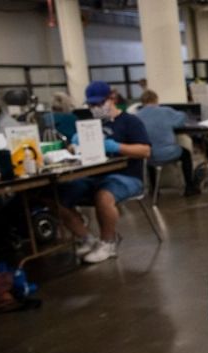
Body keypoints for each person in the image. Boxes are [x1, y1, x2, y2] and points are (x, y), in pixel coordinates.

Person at [59, 81, 151, 264]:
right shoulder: (91, 125)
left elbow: (145, 151)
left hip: (128, 176)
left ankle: (108, 243)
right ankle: (86, 238)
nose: (96, 108)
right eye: (92, 105)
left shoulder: (130, 122)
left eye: (99, 103)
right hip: (93, 176)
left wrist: (116, 146)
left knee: (104, 196)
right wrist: (73, 146)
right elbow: (74, 149)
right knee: (57, 196)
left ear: (112, 98)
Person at [135, 89, 198, 196]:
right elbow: (182, 118)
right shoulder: (165, 111)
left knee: (149, 155)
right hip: (168, 152)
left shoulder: (136, 116)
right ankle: (189, 187)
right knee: (186, 154)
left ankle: (154, 189)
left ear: (142, 102)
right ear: (156, 100)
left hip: (148, 156)